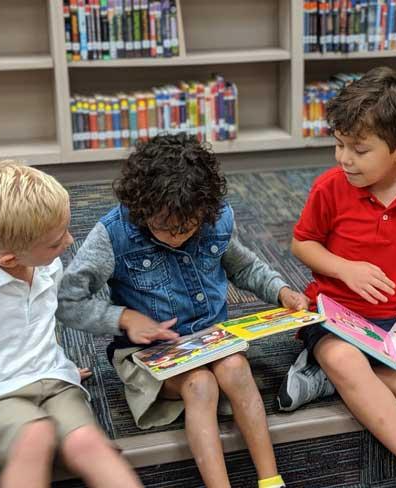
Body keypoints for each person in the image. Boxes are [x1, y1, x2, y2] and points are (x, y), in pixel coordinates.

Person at [57, 134, 308, 488]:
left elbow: (245, 267)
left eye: (188, 228)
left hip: (212, 340)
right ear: (142, 209)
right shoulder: (113, 235)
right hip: (147, 354)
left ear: (204, 211)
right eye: (164, 228)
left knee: (236, 367)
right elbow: (67, 301)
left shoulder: (215, 219)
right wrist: (123, 318)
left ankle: (271, 480)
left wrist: (281, 291)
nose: (177, 237)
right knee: (201, 384)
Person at [278, 67, 396, 488]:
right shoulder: (330, 187)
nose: (344, 159)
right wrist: (345, 268)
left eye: (359, 150)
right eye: (339, 144)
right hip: (338, 316)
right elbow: (301, 244)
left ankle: (339, 380)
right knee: (343, 357)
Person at [0, 161, 141, 487]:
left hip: (53, 382)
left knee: (88, 443)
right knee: (36, 435)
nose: (70, 241)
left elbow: (30, 327)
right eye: (56, 240)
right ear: (9, 260)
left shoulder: (46, 266)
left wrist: (54, 365)